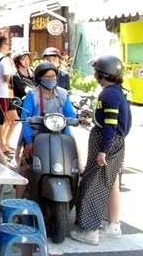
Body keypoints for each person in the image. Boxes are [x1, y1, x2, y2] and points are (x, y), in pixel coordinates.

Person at [70, 55, 132, 245]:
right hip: (115, 142)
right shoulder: (117, 91)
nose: (94, 73)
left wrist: (103, 150)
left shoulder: (109, 94)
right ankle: (113, 225)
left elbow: (110, 125)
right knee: (110, 182)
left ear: (102, 74)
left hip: (107, 143)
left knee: (94, 184)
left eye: (96, 70)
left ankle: (90, 231)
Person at [18, 60, 77, 197]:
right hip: (35, 136)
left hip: (61, 136)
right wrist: (28, 141)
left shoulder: (63, 94)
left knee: (74, 165)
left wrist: (76, 118)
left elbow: (70, 113)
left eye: (53, 77)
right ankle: (18, 204)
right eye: (47, 77)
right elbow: (25, 117)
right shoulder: (32, 95)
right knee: (25, 168)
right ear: (39, 78)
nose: (51, 80)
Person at [7, 51, 35, 158]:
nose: (26, 61)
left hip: (34, 104)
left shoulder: (32, 73)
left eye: (27, 59)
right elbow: (20, 91)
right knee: (25, 127)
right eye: (23, 59)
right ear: (18, 61)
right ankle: (18, 154)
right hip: (22, 105)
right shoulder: (15, 76)